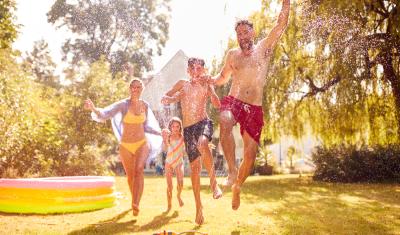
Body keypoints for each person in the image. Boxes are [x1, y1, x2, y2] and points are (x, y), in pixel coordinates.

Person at [206, 0, 290, 210]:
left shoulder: (264, 47)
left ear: (252, 33)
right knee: (224, 120)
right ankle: (232, 170)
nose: (242, 37)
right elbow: (223, 77)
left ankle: (237, 186)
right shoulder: (232, 55)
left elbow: (281, 24)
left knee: (250, 156)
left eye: (245, 33)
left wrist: (286, 3)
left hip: (254, 107)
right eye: (239, 34)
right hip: (234, 100)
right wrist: (211, 80)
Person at [84, 78, 162, 216]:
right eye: (133, 87)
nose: (135, 89)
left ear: (142, 88)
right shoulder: (123, 105)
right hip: (126, 145)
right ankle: (134, 200)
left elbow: (146, 126)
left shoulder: (145, 105)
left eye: (138, 87)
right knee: (130, 176)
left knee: (138, 170)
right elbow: (105, 114)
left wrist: (161, 132)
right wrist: (94, 109)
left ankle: (136, 203)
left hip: (142, 143)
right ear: (129, 88)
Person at [161, 57, 222, 225]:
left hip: (203, 122)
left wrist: (211, 87)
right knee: (195, 169)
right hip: (188, 130)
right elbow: (168, 94)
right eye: (193, 69)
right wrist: (167, 98)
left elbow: (217, 104)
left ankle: (214, 183)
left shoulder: (206, 83)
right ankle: (198, 208)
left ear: (203, 70)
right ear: (188, 71)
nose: (196, 72)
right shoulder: (183, 83)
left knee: (203, 143)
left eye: (199, 69)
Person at [161, 117, 185, 211]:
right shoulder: (169, 136)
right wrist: (164, 139)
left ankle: (178, 196)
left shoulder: (183, 137)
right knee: (169, 186)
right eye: (173, 126)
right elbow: (165, 148)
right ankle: (169, 205)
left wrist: (205, 145)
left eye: (177, 126)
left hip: (179, 162)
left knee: (180, 183)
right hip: (169, 163)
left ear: (180, 127)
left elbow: (192, 144)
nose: (175, 128)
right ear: (170, 127)